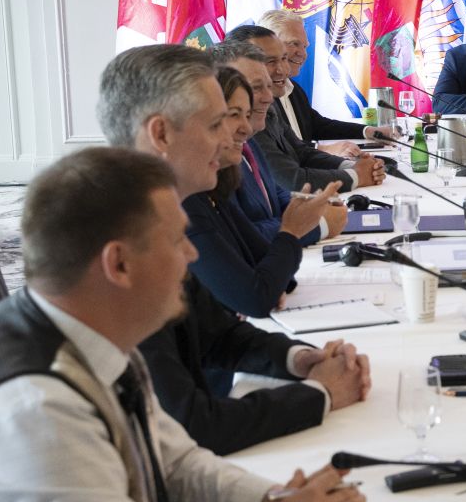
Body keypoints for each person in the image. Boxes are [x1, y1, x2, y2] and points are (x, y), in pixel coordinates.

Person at [0, 147, 368, 502]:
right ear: (119, 264)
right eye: (176, 240)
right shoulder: (36, 417)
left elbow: (172, 464)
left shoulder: (92, 333)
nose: (191, 255)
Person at [97, 44, 370, 455]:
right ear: (160, 134)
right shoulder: (118, 235)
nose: (232, 137)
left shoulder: (158, 209)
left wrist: (302, 360)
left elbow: (215, 333)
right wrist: (321, 394)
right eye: (215, 124)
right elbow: (192, 425)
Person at [182, 67, 336, 318]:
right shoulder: (185, 200)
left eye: (246, 114)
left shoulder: (211, 189)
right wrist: (292, 229)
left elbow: (281, 281)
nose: (244, 127)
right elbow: (257, 298)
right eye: (231, 115)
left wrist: (294, 358)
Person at [212, 39, 347, 248]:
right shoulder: (213, 160)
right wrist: (318, 223)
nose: (269, 97)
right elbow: (242, 235)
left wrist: (314, 205)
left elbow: (275, 195)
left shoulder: (249, 141)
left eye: (268, 86)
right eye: (255, 88)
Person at [224, 25, 387, 192]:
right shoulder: (246, 121)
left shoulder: (269, 105)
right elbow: (292, 181)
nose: (283, 70)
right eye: (270, 62)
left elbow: (301, 152)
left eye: (283, 59)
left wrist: (353, 166)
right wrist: (356, 175)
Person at [259, 9, 394, 156]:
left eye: (304, 46)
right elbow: (277, 148)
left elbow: (318, 125)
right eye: (294, 43)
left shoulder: (293, 89)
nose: (303, 54)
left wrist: (368, 131)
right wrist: (323, 149)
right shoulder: (257, 97)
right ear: (268, 45)